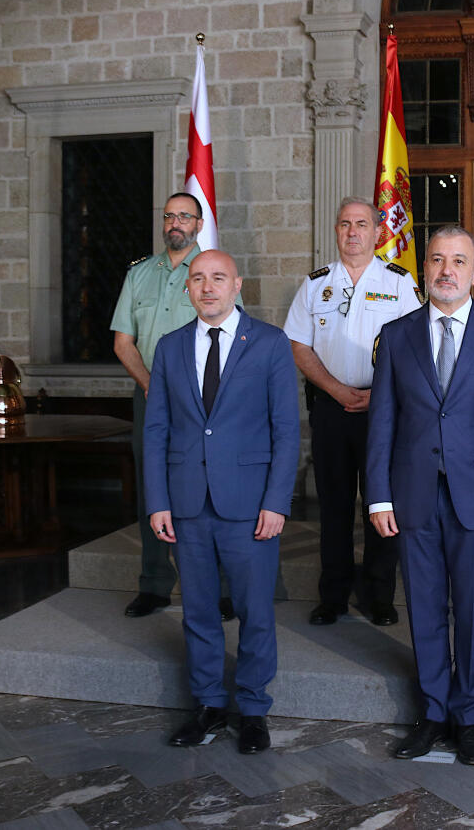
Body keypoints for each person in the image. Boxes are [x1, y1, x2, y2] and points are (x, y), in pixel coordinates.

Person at [366, 226, 474, 767]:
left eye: (458, 261)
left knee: (472, 610)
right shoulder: (397, 335)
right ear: (426, 270)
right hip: (412, 493)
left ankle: (469, 718)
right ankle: (433, 712)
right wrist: (378, 497)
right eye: (437, 259)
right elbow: (383, 423)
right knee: (424, 608)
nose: (446, 270)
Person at [142, 250, 299, 755]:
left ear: (237, 286)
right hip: (187, 501)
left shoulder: (271, 344)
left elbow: (287, 430)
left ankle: (252, 709)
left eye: (218, 279)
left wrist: (277, 501)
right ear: (187, 289)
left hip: (251, 505)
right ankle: (208, 704)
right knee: (199, 611)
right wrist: (158, 501)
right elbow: (157, 430)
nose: (207, 287)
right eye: (197, 279)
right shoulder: (168, 348)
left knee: (255, 611)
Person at [284, 197, 422, 627]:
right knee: (335, 505)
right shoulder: (315, 284)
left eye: (361, 224)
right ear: (337, 230)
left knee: (382, 503)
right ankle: (334, 594)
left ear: (379, 232)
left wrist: (378, 393)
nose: (353, 232)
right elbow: (298, 346)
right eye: (344, 224)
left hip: (384, 411)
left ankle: (380, 595)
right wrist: (336, 389)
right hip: (331, 408)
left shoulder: (399, 283)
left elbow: (416, 347)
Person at [111, 192, 232, 621]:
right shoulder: (139, 275)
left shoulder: (212, 271)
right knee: (152, 490)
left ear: (200, 224)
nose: (175, 223)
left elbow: (228, 338)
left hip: (202, 406)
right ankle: (155, 585)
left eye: (185, 216)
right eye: (169, 216)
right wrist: (149, 385)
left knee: (206, 491)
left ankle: (219, 589)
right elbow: (122, 341)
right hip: (150, 399)